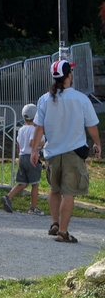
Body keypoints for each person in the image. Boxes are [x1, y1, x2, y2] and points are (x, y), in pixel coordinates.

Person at [31, 60, 100, 243]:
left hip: (52, 152)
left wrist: (34, 150)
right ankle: (62, 232)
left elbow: (39, 128)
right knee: (68, 193)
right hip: (73, 153)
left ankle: (54, 223)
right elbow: (91, 126)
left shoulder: (44, 99)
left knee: (54, 189)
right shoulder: (81, 99)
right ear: (69, 75)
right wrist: (97, 143)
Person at [1, 103, 44, 215]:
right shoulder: (34, 129)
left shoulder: (21, 129)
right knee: (35, 184)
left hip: (22, 156)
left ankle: (8, 197)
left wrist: (19, 156)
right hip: (31, 158)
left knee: (23, 183)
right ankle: (33, 208)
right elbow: (32, 142)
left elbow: (18, 145)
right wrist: (43, 144)